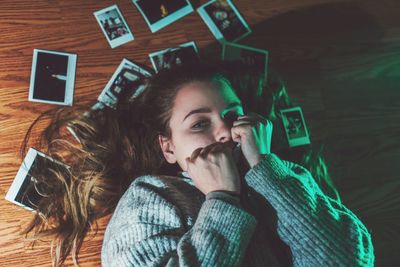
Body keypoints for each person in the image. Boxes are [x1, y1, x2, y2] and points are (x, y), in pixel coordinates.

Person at [20, 62, 374, 266]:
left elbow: (349, 260)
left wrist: (266, 167)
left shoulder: (288, 179)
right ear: (169, 148)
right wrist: (221, 200)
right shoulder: (150, 198)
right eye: (200, 124)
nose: (225, 131)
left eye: (233, 114)